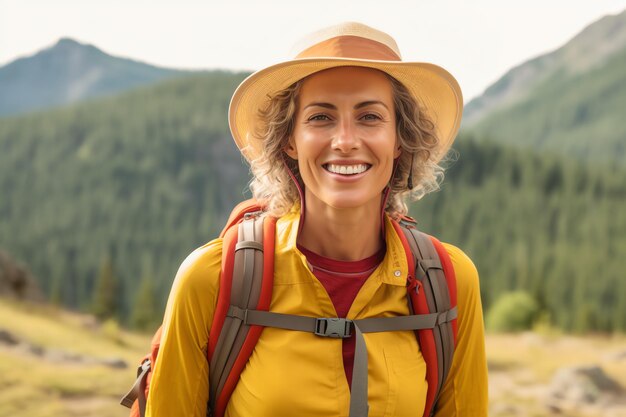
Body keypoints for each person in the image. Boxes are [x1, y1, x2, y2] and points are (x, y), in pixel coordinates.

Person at [146, 22, 488, 417]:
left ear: (400, 139)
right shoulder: (212, 278)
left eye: (370, 117)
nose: (344, 140)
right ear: (289, 140)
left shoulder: (449, 281)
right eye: (321, 118)